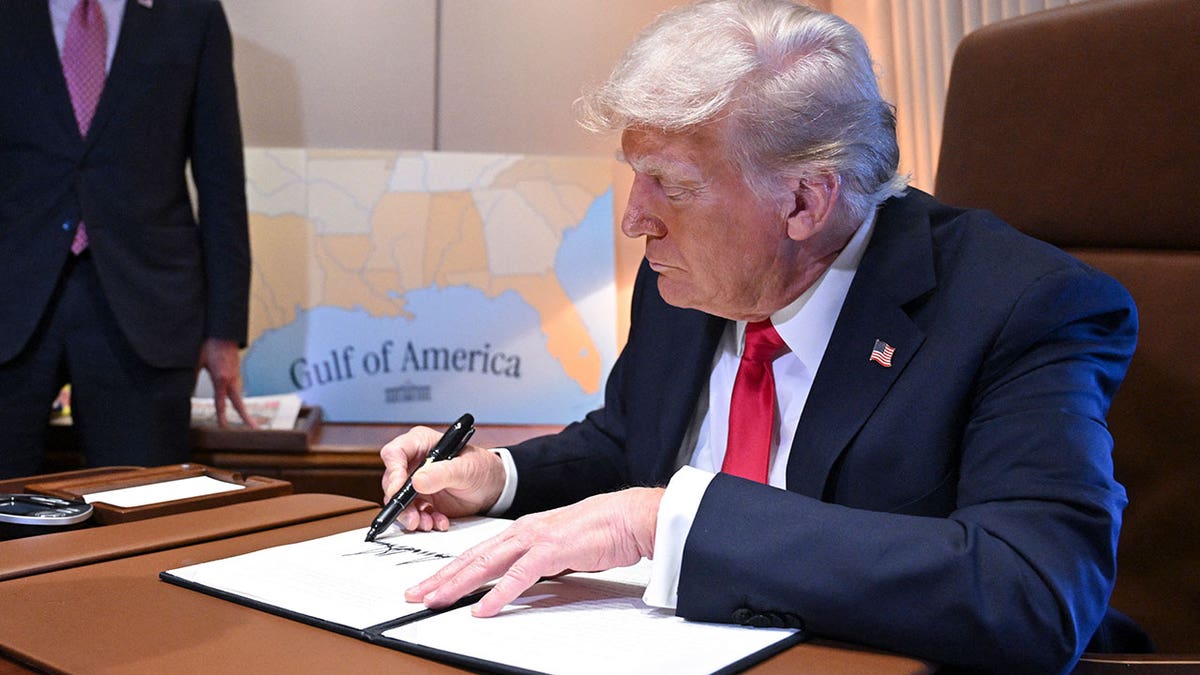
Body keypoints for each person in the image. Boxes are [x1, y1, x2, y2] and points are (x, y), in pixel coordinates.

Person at [379, 1, 1140, 671]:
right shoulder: (685, 273)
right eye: (634, 176)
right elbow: (629, 442)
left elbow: (1034, 592)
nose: (635, 219)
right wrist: (499, 475)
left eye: (671, 186)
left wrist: (660, 519)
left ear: (805, 201)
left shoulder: (1024, 307)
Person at [0, 0, 254, 478]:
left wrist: (224, 328)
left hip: (148, 310)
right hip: (10, 301)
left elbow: (221, 178)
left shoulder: (191, 14)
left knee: (140, 511)